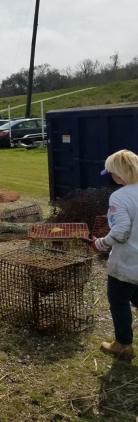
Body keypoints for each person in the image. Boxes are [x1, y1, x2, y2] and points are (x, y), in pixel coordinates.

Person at [92, 149, 138, 360]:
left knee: (119, 300)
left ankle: (123, 344)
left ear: (119, 174)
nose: (111, 176)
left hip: (128, 261)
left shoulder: (119, 196)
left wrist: (101, 243)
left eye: (111, 173)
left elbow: (120, 232)